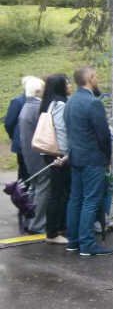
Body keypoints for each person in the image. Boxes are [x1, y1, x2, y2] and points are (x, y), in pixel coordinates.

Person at [64, 67, 113, 256]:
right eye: (96, 76)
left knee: (75, 199)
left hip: (76, 156)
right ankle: (87, 243)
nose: (97, 79)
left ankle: (74, 241)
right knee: (91, 200)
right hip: (92, 158)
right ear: (90, 78)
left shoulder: (71, 102)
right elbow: (103, 134)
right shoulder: (93, 103)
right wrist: (107, 157)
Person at [39, 74, 72, 244]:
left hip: (50, 152)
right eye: (67, 83)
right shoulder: (60, 104)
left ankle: (57, 228)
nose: (70, 85)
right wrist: (66, 154)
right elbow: (62, 129)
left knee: (58, 192)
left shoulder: (48, 103)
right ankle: (53, 232)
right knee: (58, 193)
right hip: (59, 153)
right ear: (60, 86)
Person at [18, 76, 47, 234]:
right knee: (42, 189)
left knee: (35, 189)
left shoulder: (25, 106)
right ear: (38, 91)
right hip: (39, 157)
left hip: (30, 156)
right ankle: (38, 224)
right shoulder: (37, 108)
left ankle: (31, 220)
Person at [4, 82, 29, 183]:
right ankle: (20, 194)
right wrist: (13, 136)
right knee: (23, 171)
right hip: (21, 143)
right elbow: (9, 123)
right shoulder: (18, 101)